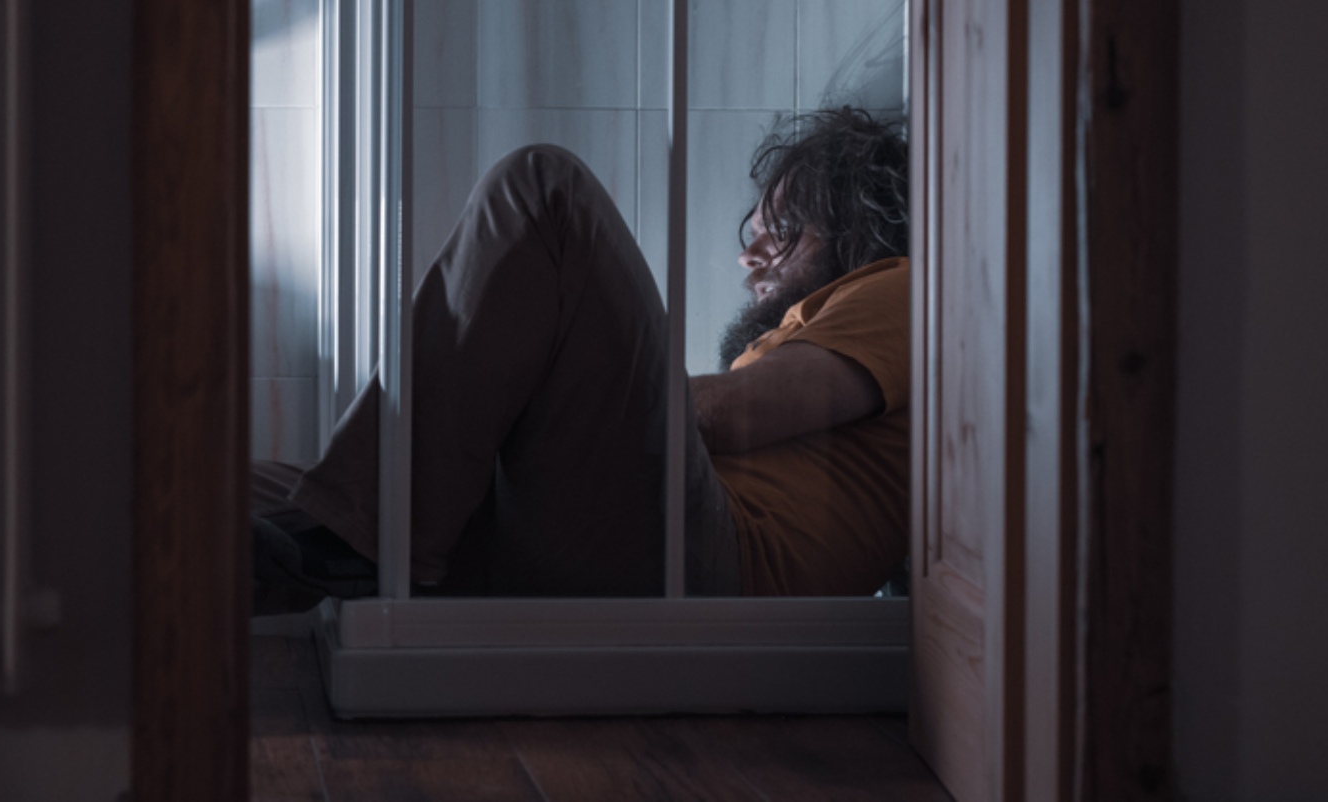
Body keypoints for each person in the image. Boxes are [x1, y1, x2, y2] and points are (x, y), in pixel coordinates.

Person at [251, 107, 912, 614]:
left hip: (729, 563)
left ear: (856, 220)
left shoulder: (904, 287)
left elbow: (734, 416)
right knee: (243, 494)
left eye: (784, 224)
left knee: (545, 190)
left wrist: (547, 392)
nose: (750, 253)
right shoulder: (823, 321)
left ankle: (368, 539)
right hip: (637, 547)